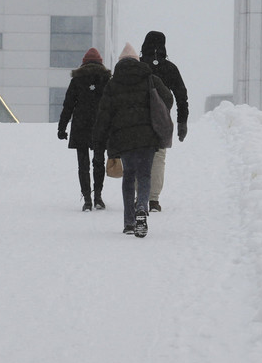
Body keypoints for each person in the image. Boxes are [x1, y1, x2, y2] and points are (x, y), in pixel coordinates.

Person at [93, 43, 173, 238]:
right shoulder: (150, 79)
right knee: (144, 175)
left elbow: (104, 114)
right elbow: (168, 99)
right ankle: (141, 208)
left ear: (120, 63)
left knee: (129, 176)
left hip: (124, 138)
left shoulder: (113, 84)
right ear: (137, 61)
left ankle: (129, 222)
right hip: (147, 137)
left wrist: (99, 141)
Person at [139, 31, 188, 212]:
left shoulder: (139, 65)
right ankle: (153, 200)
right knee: (158, 157)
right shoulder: (169, 68)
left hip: (139, 117)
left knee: (139, 156)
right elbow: (182, 96)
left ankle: (140, 196)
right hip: (162, 118)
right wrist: (182, 122)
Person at [57, 47, 112, 212]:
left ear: (83, 63)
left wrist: (62, 128)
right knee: (99, 162)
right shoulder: (107, 80)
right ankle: (98, 197)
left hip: (81, 125)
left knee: (83, 165)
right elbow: (113, 105)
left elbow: (68, 106)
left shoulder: (77, 80)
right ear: (100, 63)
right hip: (100, 125)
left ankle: (87, 198)